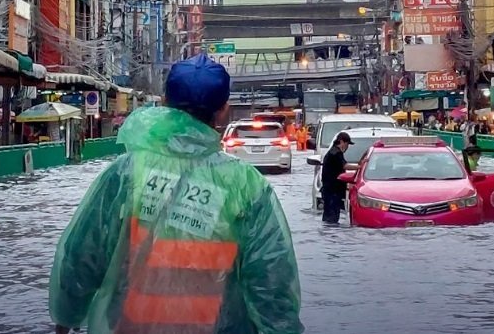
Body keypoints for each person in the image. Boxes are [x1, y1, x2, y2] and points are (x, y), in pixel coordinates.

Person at [49, 54, 304, 334]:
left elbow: (83, 256)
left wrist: (66, 319)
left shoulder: (127, 172)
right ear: (223, 110)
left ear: (165, 103)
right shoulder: (247, 185)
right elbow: (272, 283)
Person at [321, 131, 358, 224]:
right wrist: (360, 167)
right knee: (332, 218)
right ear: (341, 141)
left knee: (329, 217)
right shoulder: (335, 153)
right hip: (332, 191)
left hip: (330, 190)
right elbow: (345, 166)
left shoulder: (334, 152)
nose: (347, 147)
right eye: (347, 144)